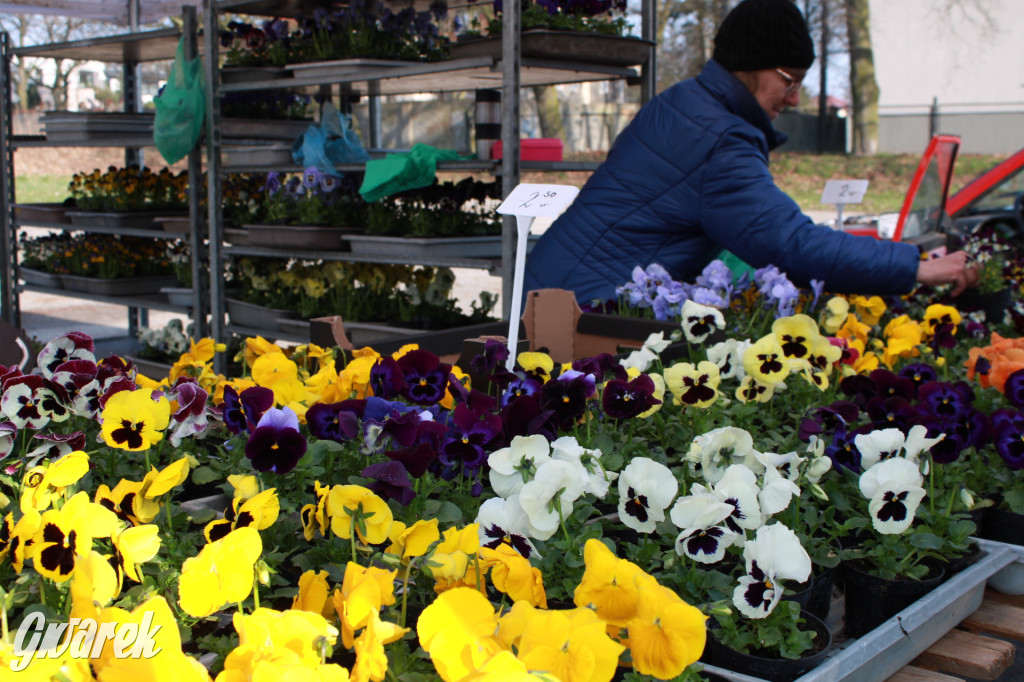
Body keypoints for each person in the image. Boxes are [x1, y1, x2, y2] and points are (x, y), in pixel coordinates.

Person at [523, 0, 977, 306]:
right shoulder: (718, 136)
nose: (796, 98)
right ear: (749, 64)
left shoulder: (686, 102)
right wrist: (913, 268)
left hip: (556, 289)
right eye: (790, 79)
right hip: (583, 310)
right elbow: (789, 243)